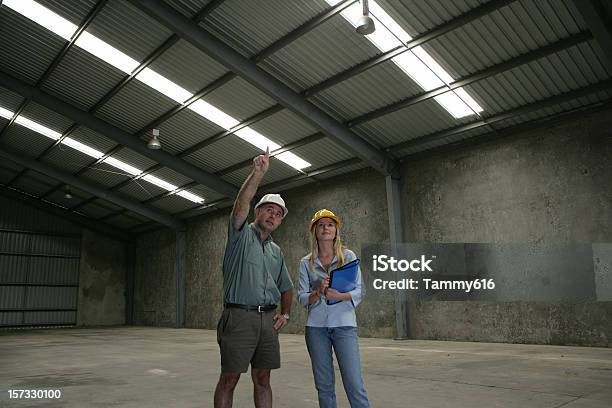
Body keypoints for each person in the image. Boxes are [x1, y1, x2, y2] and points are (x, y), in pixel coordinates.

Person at [214, 147, 293, 408]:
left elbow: (286, 286)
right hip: (239, 318)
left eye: (278, 214)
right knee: (230, 379)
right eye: (269, 210)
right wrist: (258, 174)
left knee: (263, 378)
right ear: (257, 212)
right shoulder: (240, 236)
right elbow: (240, 205)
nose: (273, 216)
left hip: (268, 321)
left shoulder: (276, 251)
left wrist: (286, 313)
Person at [298, 209, 371, 407]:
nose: (325, 228)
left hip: (344, 325)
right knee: (324, 385)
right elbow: (302, 297)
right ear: (315, 231)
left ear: (336, 230)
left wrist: (339, 296)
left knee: (354, 383)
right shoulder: (306, 262)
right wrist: (318, 293)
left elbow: (360, 290)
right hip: (316, 328)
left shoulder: (347, 256)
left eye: (330, 225)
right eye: (321, 225)